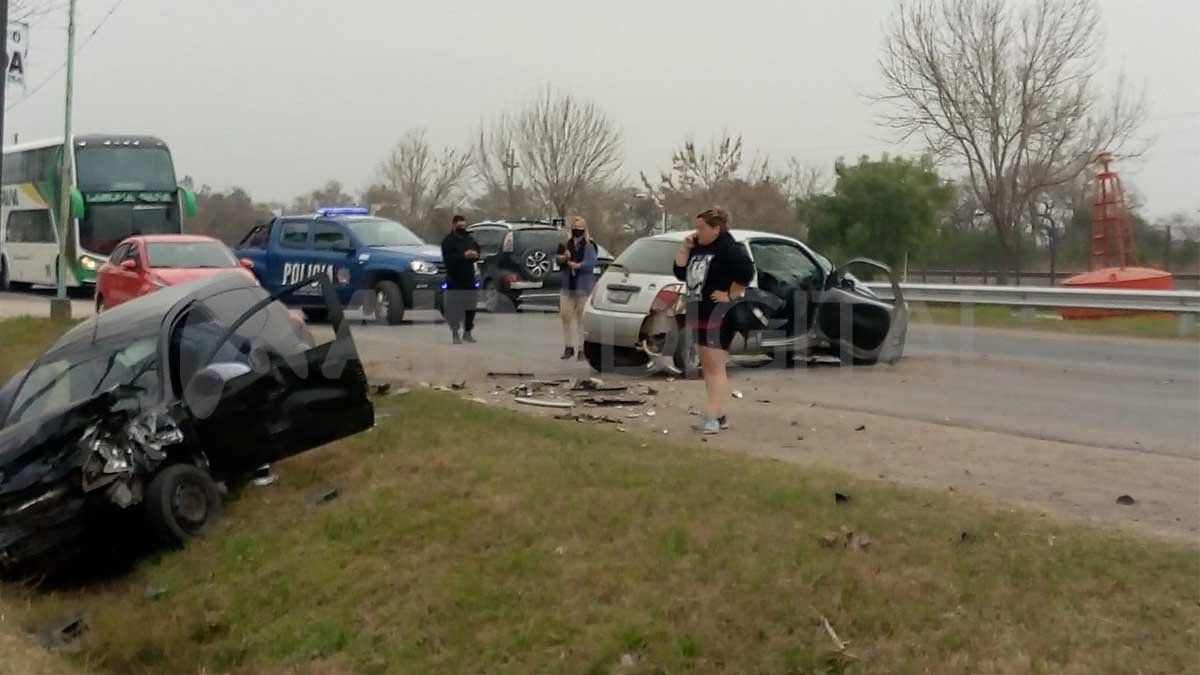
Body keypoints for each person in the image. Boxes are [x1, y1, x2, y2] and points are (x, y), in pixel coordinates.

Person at [673, 206, 754, 434]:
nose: (697, 232)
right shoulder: (698, 247)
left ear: (716, 228)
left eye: (701, 227)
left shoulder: (730, 248)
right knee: (707, 367)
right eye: (696, 227)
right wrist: (685, 247)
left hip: (719, 313)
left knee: (716, 367)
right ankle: (719, 414)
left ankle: (712, 417)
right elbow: (680, 272)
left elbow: (747, 273)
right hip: (699, 309)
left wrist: (730, 294)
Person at [557, 216, 598, 360]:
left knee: (581, 318)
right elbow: (558, 260)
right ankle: (568, 347)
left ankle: (581, 349)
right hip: (568, 285)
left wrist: (579, 265)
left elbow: (591, 263)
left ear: (584, 229)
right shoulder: (565, 244)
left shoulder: (589, 245)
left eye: (580, 229)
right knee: (565, 315)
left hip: (583, 286)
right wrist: (563, 258)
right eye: (575, 229)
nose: (577, 231)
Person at [440, 215, 480, 344]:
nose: (462, 228)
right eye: (459, 226)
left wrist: (475, 255)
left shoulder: (469, 239)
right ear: (453, 225)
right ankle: (455, 333)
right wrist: (463, 256)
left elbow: (477, 251)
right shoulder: (448, 241)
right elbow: (448, 260)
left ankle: (467, 332)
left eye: (464, 226)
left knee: (471, 307)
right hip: (454, 279)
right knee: (454, 308)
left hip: (469, 277)